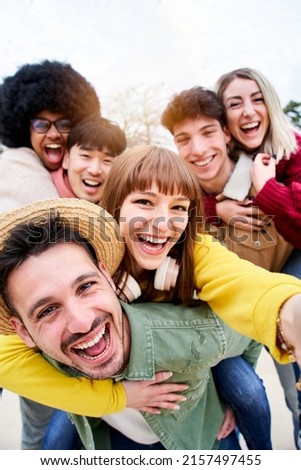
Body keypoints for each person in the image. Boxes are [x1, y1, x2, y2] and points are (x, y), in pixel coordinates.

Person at [1, 198, 301, 450]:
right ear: (23, 332)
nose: (81, 322)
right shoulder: (29, 351)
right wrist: (119, 397)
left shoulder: (192, 330)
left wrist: (289, 310)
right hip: (109, 435)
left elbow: (245, 295)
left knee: (249, 395)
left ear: (107, 275)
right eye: (48, 310)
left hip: (192, 438)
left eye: (85, 287)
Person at [0, 59, 102, 449]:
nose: (54, 134)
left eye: (64, 123)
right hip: (23, 330)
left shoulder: (70, 176)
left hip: (60, 328)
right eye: (41, 124)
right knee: (41, 432)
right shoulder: (20, 172)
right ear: (24, 128)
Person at [215, 67, 301, 449]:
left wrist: (267, 188)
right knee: (269, 382)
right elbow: (186, 193)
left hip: (291, 264)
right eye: (235, 103)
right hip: (249, 282)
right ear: (224, 117)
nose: (248, 111)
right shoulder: (222, 160)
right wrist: (218, 209)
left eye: (256, 99)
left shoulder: (293, 149)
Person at [51, 114, 127, 203]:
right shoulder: (39, 190)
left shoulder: (122, 206)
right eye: (86, 156)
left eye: (107, 161)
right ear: (66, 160)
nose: (94, 170)